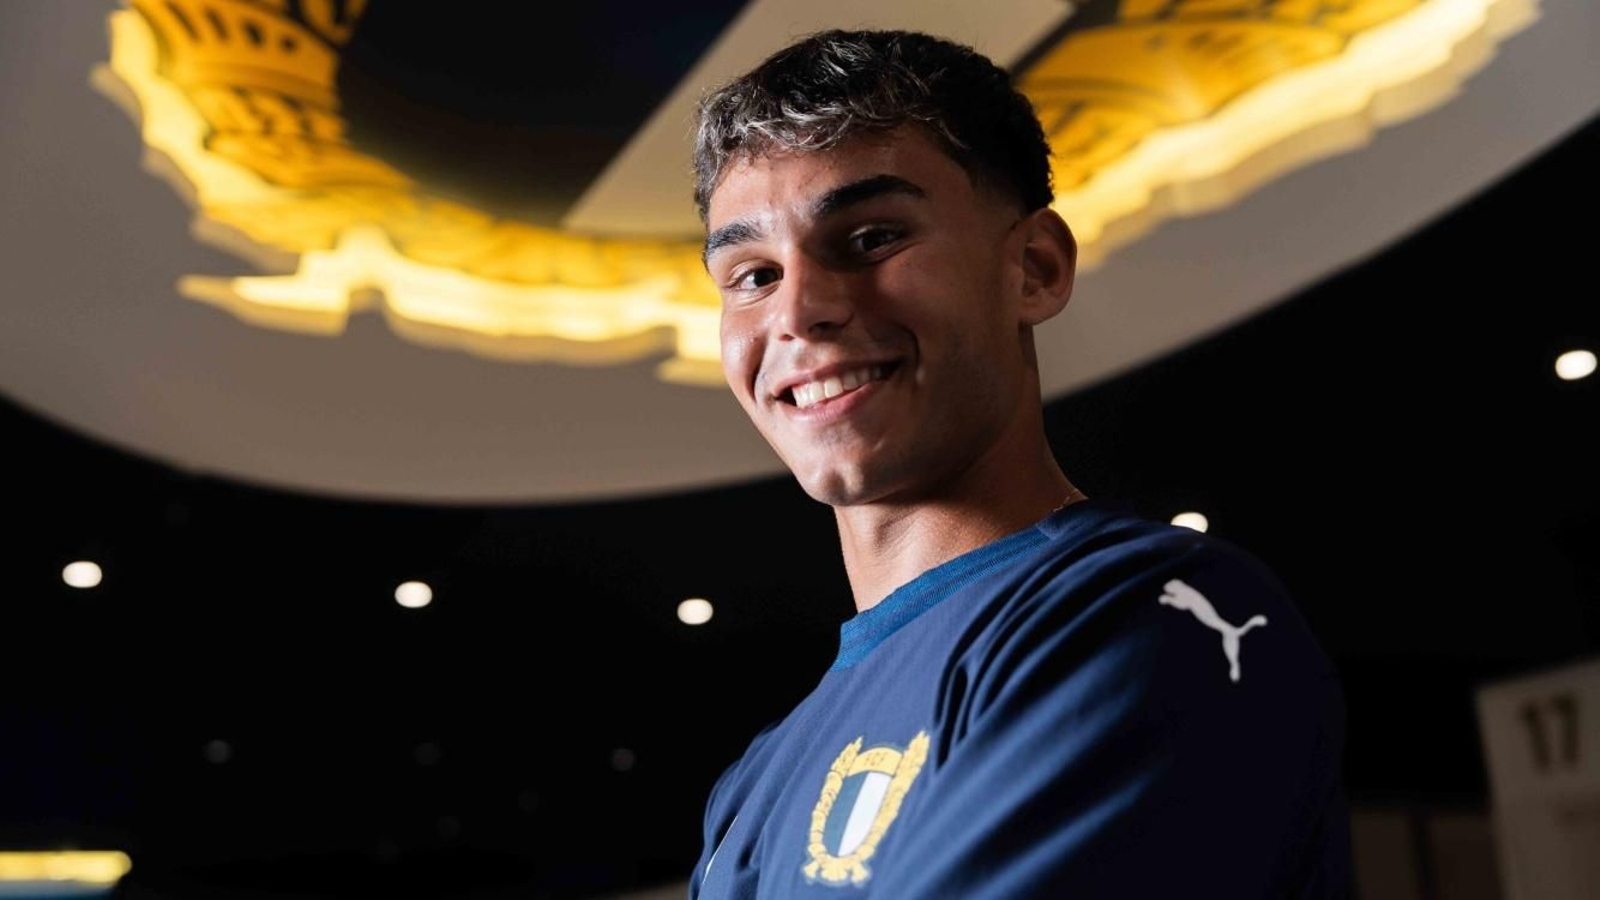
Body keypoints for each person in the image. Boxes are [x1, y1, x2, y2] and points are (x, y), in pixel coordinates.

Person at [688, 28, 1352, 899]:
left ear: (1034, 268)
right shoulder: (760, 774)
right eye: (752, 274)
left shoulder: (1154, 616)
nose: (800, 311)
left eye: (873, 237)